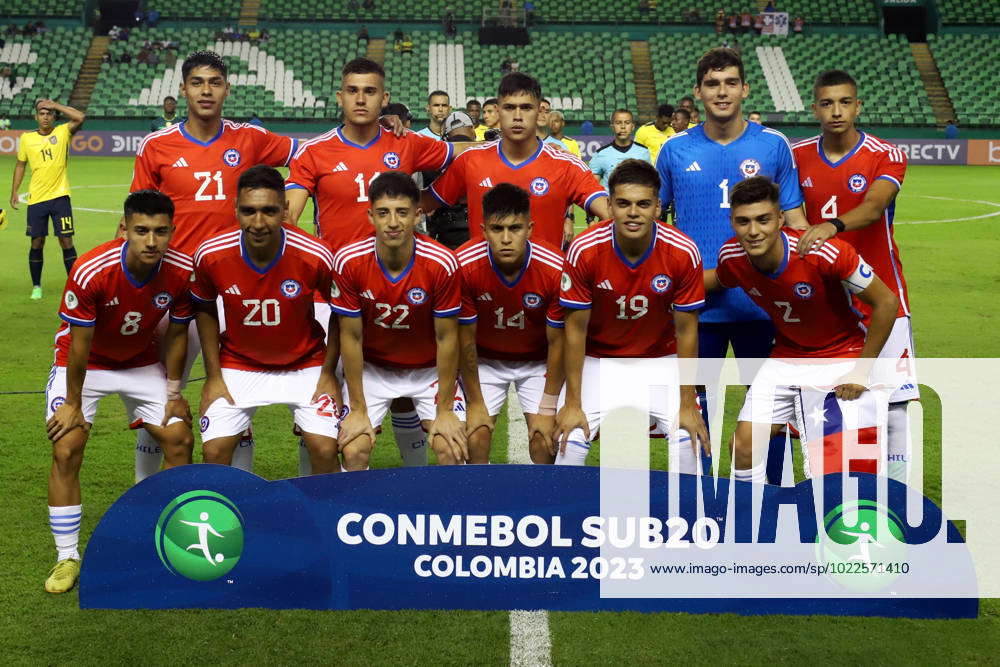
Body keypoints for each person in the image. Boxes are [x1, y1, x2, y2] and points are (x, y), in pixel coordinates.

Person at [129, 50, 298, 478]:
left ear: (227, 88)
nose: (207, 90)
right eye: (198, 82)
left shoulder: (250, 138)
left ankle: (235, 496)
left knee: (236, 403)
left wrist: (292, 201)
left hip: (234, 291)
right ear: (183, 89)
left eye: (215, 82)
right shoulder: (157, 146)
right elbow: (133, 218)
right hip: (175, 289)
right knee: (161, 402)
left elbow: (312, 155)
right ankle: (147, 499)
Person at [285, 58, 455, 468]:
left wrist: (428, 203)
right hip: (335, 294)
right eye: (353, 91)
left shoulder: (408, 143)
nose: (361, 98)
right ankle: (320, 493)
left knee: (403, 388)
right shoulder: (315, 152)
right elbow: (289, 220)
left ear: (385, 98)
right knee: (326, 407)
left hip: (402, 284)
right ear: (340, 96)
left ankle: (414, 481)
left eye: (371, 91)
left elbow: (461, 161)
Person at [655, 47, 807, 467]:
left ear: (745, 88)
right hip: (695, 310)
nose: (722, 92)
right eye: (712, 84)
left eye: (730, 83)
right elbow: (656, 224)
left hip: (763, 307)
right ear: (697, 91)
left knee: (771, 415)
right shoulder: (674, 151)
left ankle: (771, 500)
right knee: (689, 413)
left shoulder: (774, 146)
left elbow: (793, 221)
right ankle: (696, 507)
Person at [43, 189, 196, 594]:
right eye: (142, 230)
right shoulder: (93, 269)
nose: (151, 241)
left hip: (140, 363)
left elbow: (178, 334)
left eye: (160, 232)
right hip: (85, 364)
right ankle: (66, 556)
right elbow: (78, 344)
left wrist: (174, 391)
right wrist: (73, 405)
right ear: (124, 228)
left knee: (179, 438)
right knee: (67, 444)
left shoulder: (181, 271)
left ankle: (159, 537)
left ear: (172, 231)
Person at [704, 176, 898, 483]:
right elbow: (717, 280)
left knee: (844, 464)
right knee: (743, 446)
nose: (753, 231)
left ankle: (848, 522)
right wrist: (664, 289)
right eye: (743, 222)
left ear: (780, 219)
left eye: (763, 220)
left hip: (841, 356)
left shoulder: (822, 252)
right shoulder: (733, 255)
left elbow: (887, 302)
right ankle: (752, 521)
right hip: (786, 356)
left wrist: (862, 371)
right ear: (732, 222)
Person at [792, 69, 916, 481]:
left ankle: (897, 498)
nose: (836, 111)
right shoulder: (796, 155)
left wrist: (832, 226)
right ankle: (821, 491)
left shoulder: (885, 153)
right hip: (822, 303)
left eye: (845, 102)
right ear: (815, 109)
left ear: (857, 106)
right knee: (819, 403)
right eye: (827, 103)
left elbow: (875, 205)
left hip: (882, 297)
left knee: (893, 405)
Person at [554, 159, 708, 469]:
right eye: (623, 204)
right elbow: (574, 330)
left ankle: (686, 518)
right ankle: (567, 516)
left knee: (689, 442)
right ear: (609, 206)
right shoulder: (584, 248)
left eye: (642, 204)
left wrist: (688, 403)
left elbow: (687, 331)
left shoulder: (682, 250)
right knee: (568, 441)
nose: (633, 212)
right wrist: (572, 402)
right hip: (599, 360)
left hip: (660, 360)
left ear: (657, 206)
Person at [191, 166, 344, 472]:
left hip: (306, 364)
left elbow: (342, 312)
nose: (258, 223)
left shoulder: (316, 254)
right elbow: (205, 308)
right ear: (235, 209)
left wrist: (328, 373)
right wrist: (214, 376)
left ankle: (320, 517)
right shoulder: (210, 254)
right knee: (215, 453)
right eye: (249, 211)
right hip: (238, 364)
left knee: (325, 450)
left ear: (285, 208)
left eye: (269, 211)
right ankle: (225, 518)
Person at [332, 172, 468, 465]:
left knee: (452, 448)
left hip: (428, 370)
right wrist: (357, 409)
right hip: (374, 370)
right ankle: (357, 512)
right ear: (370, 216)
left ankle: (444, 510)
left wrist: (445, 410)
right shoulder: (348, 260)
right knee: (353, 448)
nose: (393, 222)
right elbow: (351, 337)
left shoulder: (442, 263)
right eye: (383, 213)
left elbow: (447, 339)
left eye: (402, 213)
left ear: (418, 215)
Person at [427, 72, 609, 250]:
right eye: (509, 107)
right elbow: (421, 203)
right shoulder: (470, 160)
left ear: (539, 112)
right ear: (498, 111)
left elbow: (612, 214)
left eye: (526, 107)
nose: (517, 116)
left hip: (545, 279)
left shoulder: (567, 166)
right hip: (482, 279)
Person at [456, 183, 565, 463]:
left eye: (515, 229)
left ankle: (541, 505)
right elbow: (464, 341)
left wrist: (548, 406)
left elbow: (559, 343)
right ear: (483, 231)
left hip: (538, 362)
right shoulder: (464, 266)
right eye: (497, 229)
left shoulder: (555, 268)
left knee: (545, 441)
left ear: (530, 228)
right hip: (484, 361)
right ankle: (478, 501)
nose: (506, 238)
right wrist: (476, 403)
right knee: (474, 436)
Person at [10, 98, 84, 300]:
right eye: (41, 113)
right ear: (36, 116)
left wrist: (55, 105)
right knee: (37, 242)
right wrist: (14, 190)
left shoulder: (62, 132)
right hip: (37, 200)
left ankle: (75, 286)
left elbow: (80, 117)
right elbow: (20, 165)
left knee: (66, 240)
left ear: (53, 116)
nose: (45, 117)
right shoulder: (26, 138)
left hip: (60, 197)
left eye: (48, 113)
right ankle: (36, 286)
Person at [589, 109, 650, 187]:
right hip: (611, 199)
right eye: (618, 123)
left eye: (627, 123)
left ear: (632, 126)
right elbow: (592, 187)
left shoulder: (643, 152)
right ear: (612, 127)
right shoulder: (601, 154)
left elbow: (649, 183)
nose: (623, 127)